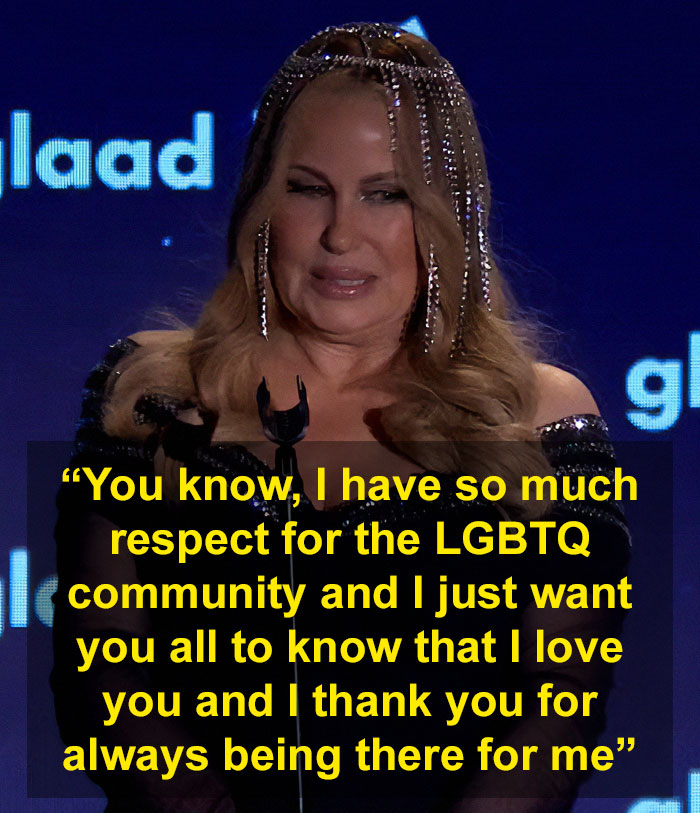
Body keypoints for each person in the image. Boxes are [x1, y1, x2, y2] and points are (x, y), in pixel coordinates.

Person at [51, 22, 630, 813]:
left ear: (444, 216)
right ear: (262, 203)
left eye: (386, 194)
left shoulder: (541, 420)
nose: (340, 234)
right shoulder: (152, 396)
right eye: (308, 188)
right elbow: (104, 676)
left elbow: (558, 713)